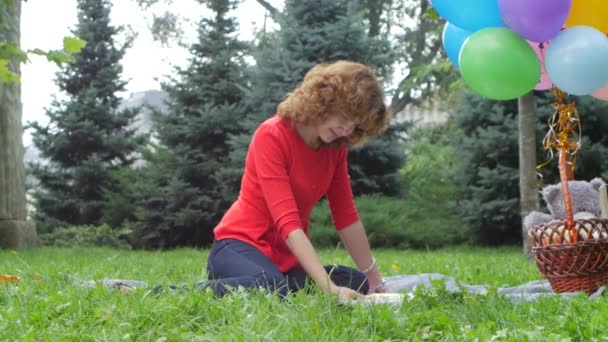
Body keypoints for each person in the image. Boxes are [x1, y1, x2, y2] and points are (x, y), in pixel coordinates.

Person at [203, 60, 392, 301]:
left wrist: (376, 283)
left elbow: (346, 216)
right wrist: (329, 289)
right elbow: (288, 224)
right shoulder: (272, 134)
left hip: (285, 260)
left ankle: (269, 284)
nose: (346, 130)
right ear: (324, 101)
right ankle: (167, 293)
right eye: (344, 117)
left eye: (354, 124)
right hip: (240, 246)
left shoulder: (335, 149)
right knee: (269, 285)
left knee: (356, 281)